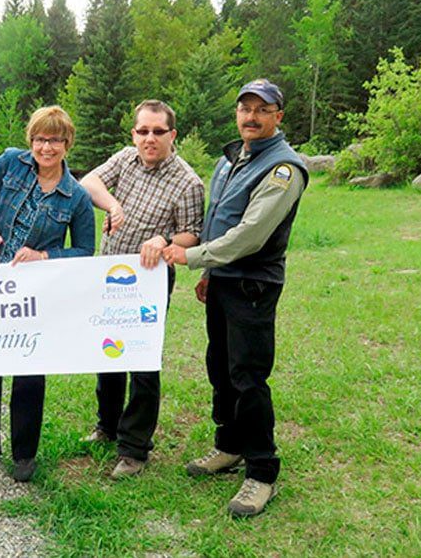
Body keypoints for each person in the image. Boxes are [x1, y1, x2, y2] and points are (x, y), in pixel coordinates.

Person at [161, 79, 307, 518]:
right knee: (220, 369)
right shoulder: (232, 160)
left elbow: (250, 234)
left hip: (252, 286)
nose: (252, 116)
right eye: (245, 108)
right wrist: (209, 271)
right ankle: (229, 446)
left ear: (278, 116)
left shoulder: (283, 168)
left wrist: (192, 257)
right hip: (224, 280)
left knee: (248, 377)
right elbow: (218, 219)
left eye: (263, 109)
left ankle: (262, 472)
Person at [0, 106, 95, 483]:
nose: (46, 147)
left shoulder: (77, 197)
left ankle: (24, 454)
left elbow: (85, 250)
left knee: (29, 372)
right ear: (30, 141)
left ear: (67, 143)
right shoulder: (10, 163)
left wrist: (44, 256)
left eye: (54, 139)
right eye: (39, 139)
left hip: (37, 292)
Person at [79, 99, 205, 479]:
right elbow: (88, 183)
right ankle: (108, 426)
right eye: (143, 131)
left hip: (148, 279)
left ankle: (134, 448)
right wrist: (115, 206)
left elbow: (193, 233)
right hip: (110, 271)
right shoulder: (125, 159)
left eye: (158, 132)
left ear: (172, 135)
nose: (149, 139)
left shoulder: (188, 182)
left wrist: (164, 237)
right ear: (134, 134)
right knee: (108, 350)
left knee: (142, 359)